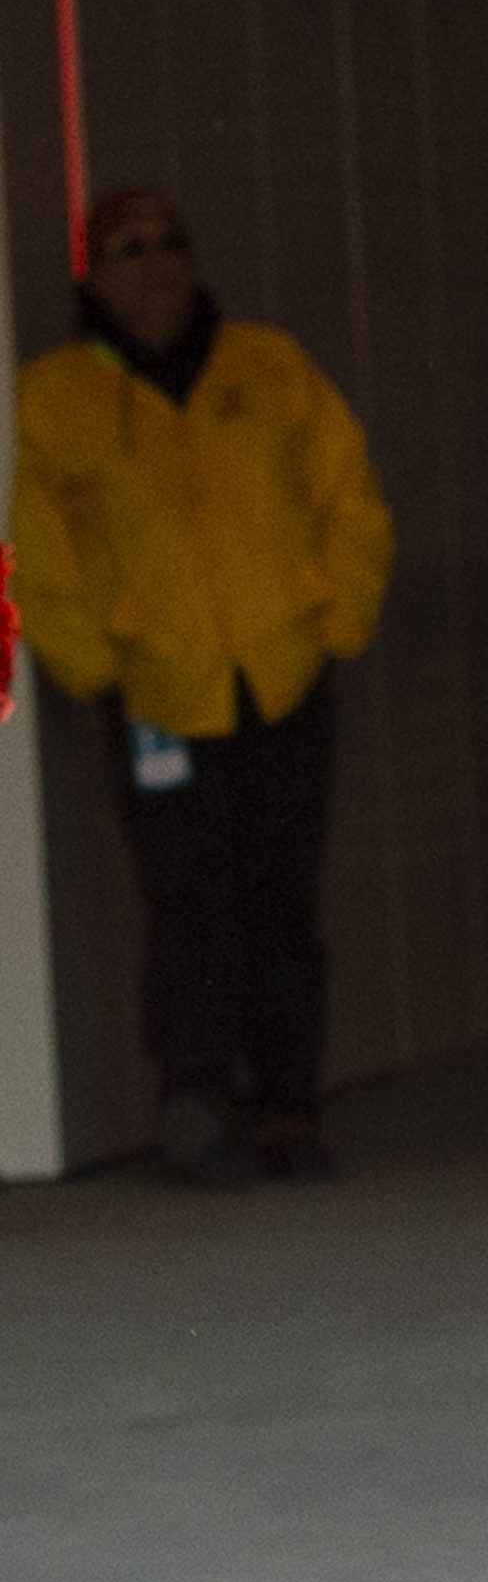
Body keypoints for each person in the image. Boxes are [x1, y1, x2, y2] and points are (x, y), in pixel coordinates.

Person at [10, 190, 393, 1185]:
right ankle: (194, 1095)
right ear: (94, 273)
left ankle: (286, 1108)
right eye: (129, 249)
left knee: (281, 897)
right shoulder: (57, 396)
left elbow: (348, 498)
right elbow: (37, 550)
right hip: (159, 695)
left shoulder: (268, 368)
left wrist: (334, 617)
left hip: (278, 681)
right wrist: (93, 660)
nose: (155, 265)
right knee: (186, 902)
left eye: (171, 243)